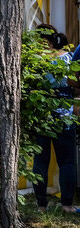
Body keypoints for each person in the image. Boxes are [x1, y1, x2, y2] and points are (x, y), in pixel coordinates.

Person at [32, 24, 77, 212]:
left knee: (40, 160)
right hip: (64, 112)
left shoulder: (35, 61)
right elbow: (74, 83)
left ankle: (41, 205)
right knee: (66, 161)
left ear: (45, 42)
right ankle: (67, 204)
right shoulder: (68, 58)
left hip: (40, 112)